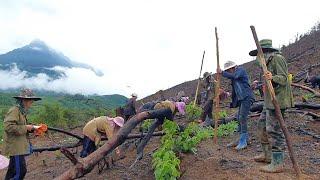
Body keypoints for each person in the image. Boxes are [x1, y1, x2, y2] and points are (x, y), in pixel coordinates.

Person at [249, 39, 294, 173]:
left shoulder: (277, 59)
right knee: (262, 125)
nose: (257, 58)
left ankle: (277, 162)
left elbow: (284, 78)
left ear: (265, 52)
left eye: (258, 54)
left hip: (278, 101)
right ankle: (267, 155)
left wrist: (272, 77)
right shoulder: (266, 63)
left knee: (274, 130)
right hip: (269, 101)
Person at [3, 88, 42, 180]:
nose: (32, 103)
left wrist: (32, 129)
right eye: (30, 101)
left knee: (13, 172)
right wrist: (26, 128)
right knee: (20, 172)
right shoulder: (15, 110)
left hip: (19, 146)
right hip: (16, 147)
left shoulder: (21, 111)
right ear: (24, 100)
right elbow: (8, 127)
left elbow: (20, 126)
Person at [217, 61, 255, 150]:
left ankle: (243, 140)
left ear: (231, 68)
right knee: (239, 118)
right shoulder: (234, 77)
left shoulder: (240, 70)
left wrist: (222, 72)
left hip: (247, 97)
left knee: (242, 117)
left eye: (228, 70)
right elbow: (235, 90)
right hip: (241, 99)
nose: (228, 72)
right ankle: (240, 138)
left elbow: (234, 76)